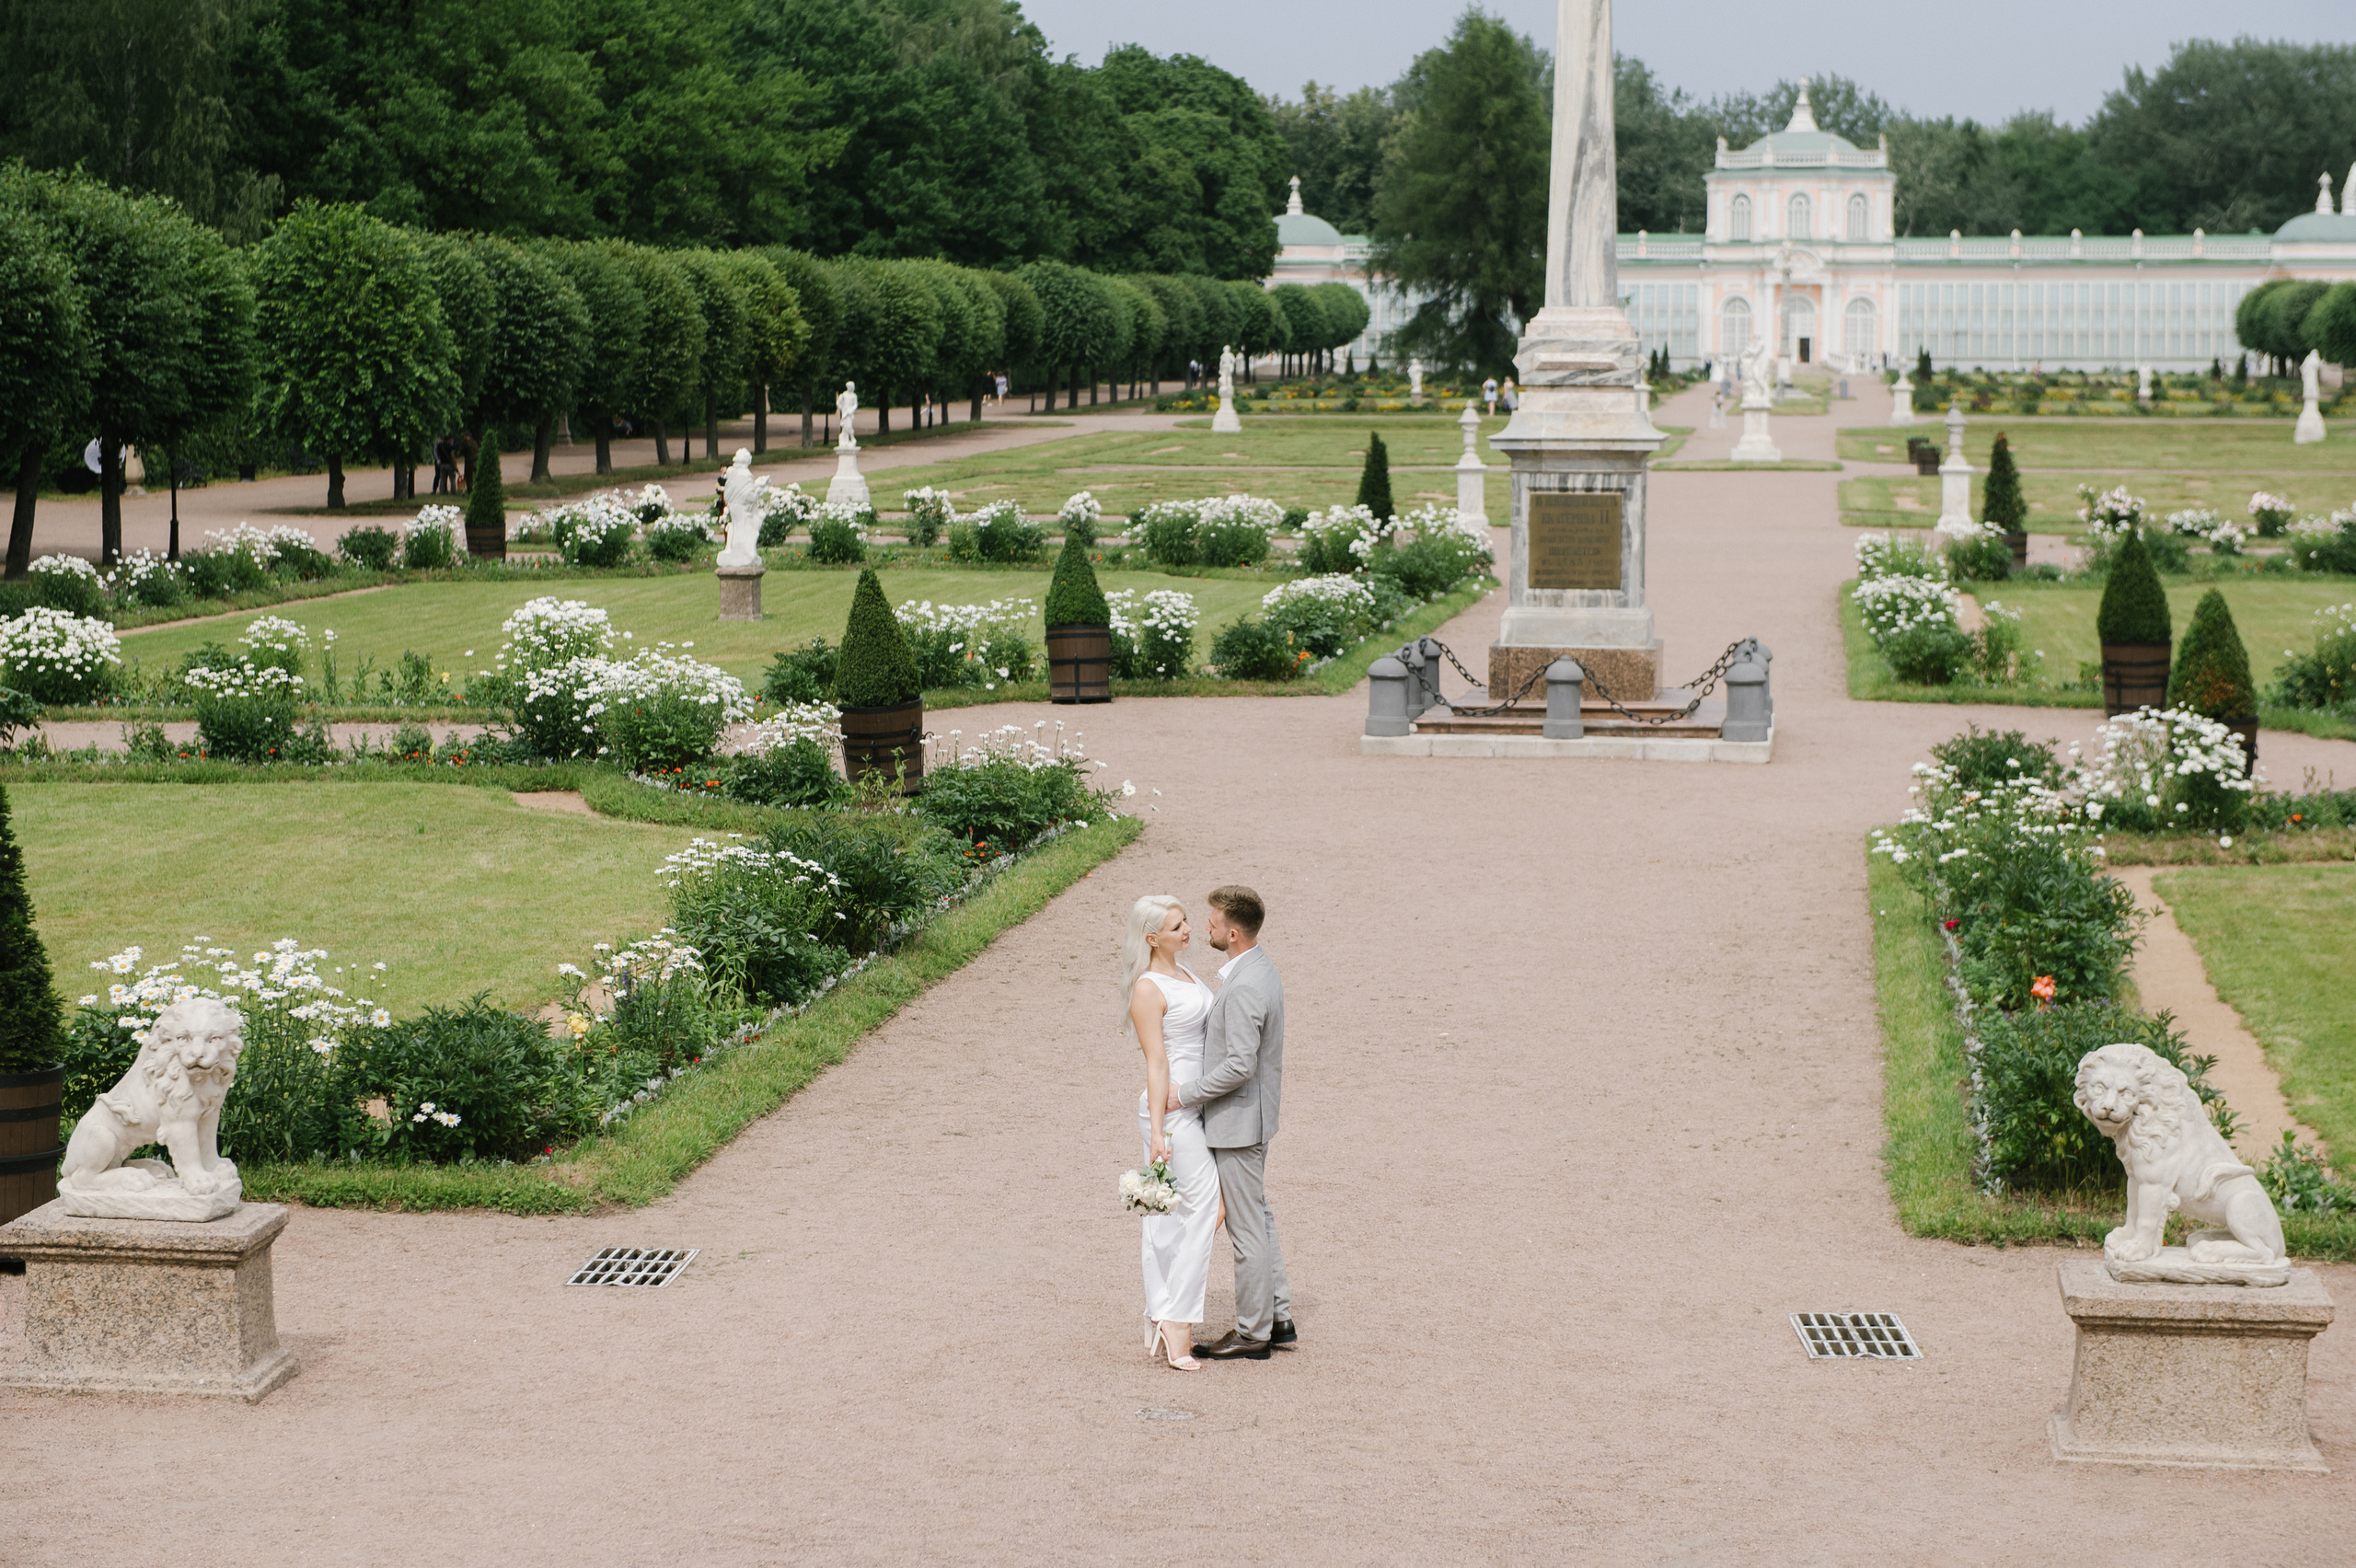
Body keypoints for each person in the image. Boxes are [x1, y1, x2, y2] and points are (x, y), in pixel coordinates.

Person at [1176, 884, 1293, 1361]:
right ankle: (1279, 1315)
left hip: (1240, 1124)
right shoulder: (1258, 969)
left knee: (1245, 1230)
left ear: (1233, 931)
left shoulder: (1245, 984)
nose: (1205, 926)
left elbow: (1239, 1065)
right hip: (1252, 1119)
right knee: (1258, 1218)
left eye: (1212, 920)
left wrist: (1183, 1095)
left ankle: (1253, 1332)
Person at [1125, 896, 1219, 1371]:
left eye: (1185, 923)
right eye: (1177, 926)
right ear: (1151, 938)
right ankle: (1176, 1320)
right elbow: (1155, 1062)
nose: (1187, 931)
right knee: (1207, 1205)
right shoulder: (1147, 988)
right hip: (1171, 1110)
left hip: (1195, 1104)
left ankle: (1160, 1310)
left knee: (1169, 1217)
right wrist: (1159, 1131)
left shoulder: (1187, 975)